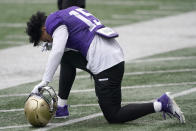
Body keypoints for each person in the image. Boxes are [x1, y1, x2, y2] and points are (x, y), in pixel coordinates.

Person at [26, 6, 185, 123]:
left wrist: (45, 81)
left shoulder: (54, 21)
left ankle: (161, 104)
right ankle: (62, 106)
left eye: (46, 39)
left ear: (44, 29)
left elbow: (58, 50)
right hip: (111, 55)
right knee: (66, 58)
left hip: (105, 63)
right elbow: (65, 51)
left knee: (114, 115)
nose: (48, 41)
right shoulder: (68, 12)